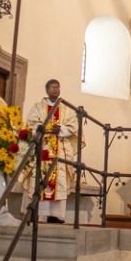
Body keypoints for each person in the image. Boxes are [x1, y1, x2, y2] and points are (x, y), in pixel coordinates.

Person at [26, 79, 77, 223]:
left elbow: (73, 127)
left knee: (59, 179)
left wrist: (61, 129)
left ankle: (56, 215)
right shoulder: (37, 107)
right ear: (46, 90)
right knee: (39, 177)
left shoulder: (66, 109)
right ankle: (37, 213)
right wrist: (44, 128)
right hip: (43, 147)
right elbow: (30, 124)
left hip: (59, 148)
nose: (56, 90)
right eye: (53, 87)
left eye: (58, 87)